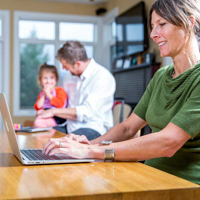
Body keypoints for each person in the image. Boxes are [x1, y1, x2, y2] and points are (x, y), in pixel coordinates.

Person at [42, 0, 200, 185]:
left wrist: (91, 152)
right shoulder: (161, 76)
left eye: (162, 24)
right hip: (148, 175)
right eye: (152, 26)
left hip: (183, 185)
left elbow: (168, 143)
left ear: (189, 23)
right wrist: (88, 144)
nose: (153, 34)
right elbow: (128, 128)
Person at [37, 41, 116, 140]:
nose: (63, 68)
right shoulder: (68, 78)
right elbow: (60, 101)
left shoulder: (102, 78)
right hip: (69, 126)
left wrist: (53, 111)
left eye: (65, 65)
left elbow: (86, 113)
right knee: (40, 136)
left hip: (93, 128)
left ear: (77, 64)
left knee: (64, 143)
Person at [34, 63, 68, 128]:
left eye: (51, 78)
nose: (48, 81)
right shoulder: (42, 93)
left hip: (57, 118)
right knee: (38, 122)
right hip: (46, 116)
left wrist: (49, 95)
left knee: (38, 122)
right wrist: (44, 95)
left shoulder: (60, 90)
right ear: (40, 80)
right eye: (45, 78)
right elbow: (38, 107)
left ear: (56, 79)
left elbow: (60, 104)